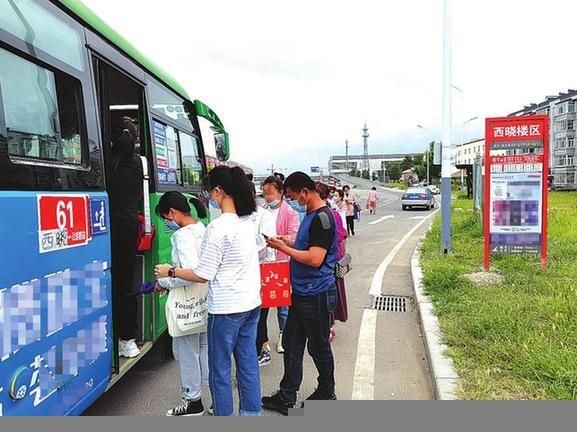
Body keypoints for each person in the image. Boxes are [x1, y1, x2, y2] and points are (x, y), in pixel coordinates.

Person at [155, 166, 262, 417]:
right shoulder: (246, 222)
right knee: (247, 365)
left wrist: (170, 272)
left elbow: (202, 273)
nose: (208, 197)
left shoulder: (218, 227)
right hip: (251, 304)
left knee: (220, 372)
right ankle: (251, 415)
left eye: (209, 191)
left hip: (225, 309)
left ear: (218, 191)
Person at [262, 172, 338, 415]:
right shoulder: (311, 215)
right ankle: (287, 397)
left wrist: (284, 248)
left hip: (316, 293)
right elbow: (306, 245)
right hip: (303, 292)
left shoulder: (323, 218)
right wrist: (290, 241)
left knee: (318, 347)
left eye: (294, 196)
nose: (294, 201)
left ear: (306, 191)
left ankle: (327, 392)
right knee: (293, 345)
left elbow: (315, 259)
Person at [155, 192, 209, 416]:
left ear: (173, 213)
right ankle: (216, 396)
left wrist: (164, 280)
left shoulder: (182, 236)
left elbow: (191, 273)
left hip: (188, 304)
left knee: (186, 351)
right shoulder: (202, 229)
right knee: (206, 349)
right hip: (206, 301)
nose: (167, 223)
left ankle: (192, 400)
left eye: (166, 219)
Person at [256, 176, 300, 366]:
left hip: (281, 263)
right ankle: (263, 342)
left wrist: (279, 239)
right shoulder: (261, 211)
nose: (267, 197)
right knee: (262, 306)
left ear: (280, 192)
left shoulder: (290, 212)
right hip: (264, 263)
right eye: (264, 193)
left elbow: (295, 236)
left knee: (282, 305)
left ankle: (283, 334)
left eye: (270, 193)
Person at [109, 117, 143, 358]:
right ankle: (127, 340)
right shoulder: (137, 164)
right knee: (127, 283)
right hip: (128, 228)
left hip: (105, 226)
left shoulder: (107, 161)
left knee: (108, 281)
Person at [315, 183, 348, 343]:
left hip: (328, 263)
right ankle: (328, 326)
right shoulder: (332, 213)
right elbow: (343, 236)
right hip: (331, 262)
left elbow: (341, 236)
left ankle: (328, 328)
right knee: (331, 296)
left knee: (328, 296)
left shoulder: (327, 215)